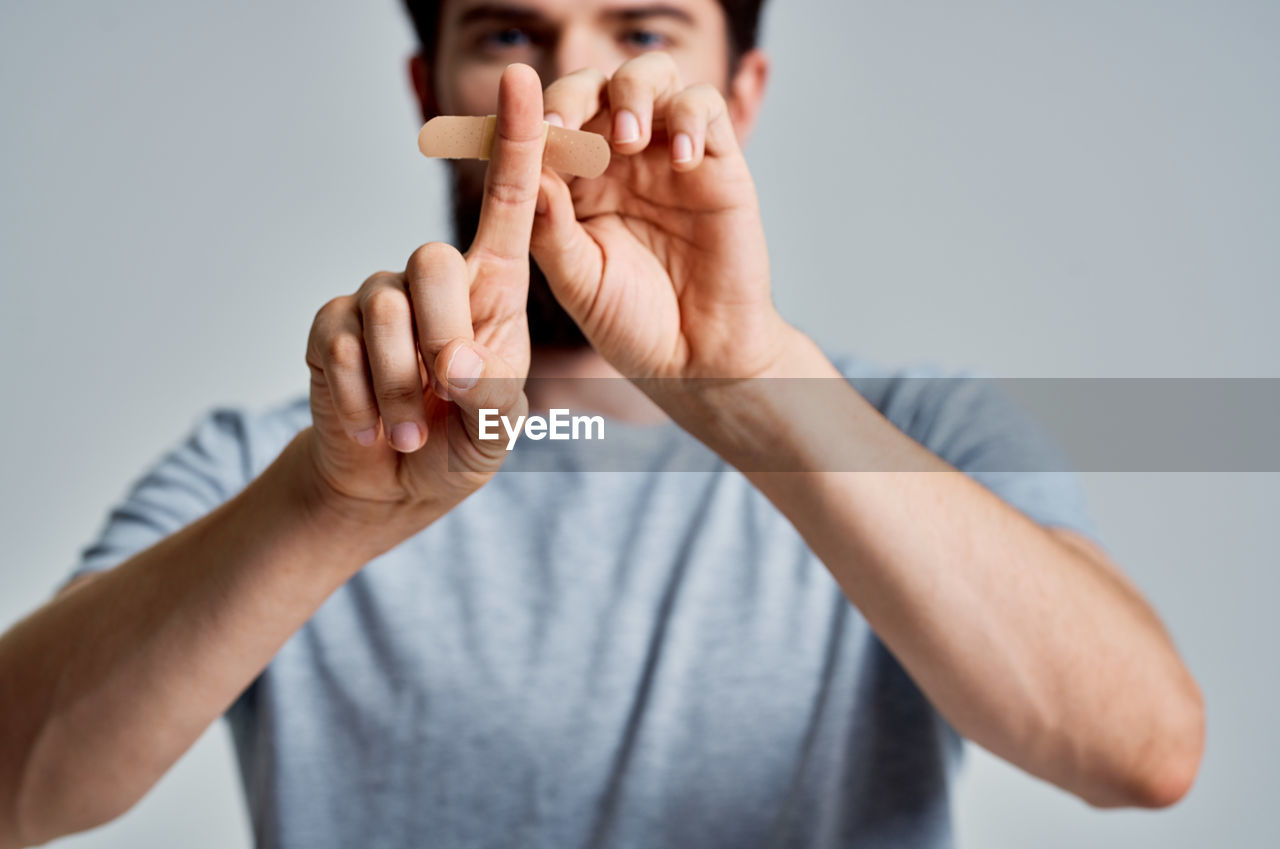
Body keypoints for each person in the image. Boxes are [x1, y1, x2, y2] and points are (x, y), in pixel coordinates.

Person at [0, 1, 1205, 847]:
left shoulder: (913, 431)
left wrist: (751, 391)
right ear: (433, 89)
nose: (564, 94)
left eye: (642, 32)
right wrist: (323, 510)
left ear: (741, 90)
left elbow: (1140, 751)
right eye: (511, 36)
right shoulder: (270, 468)